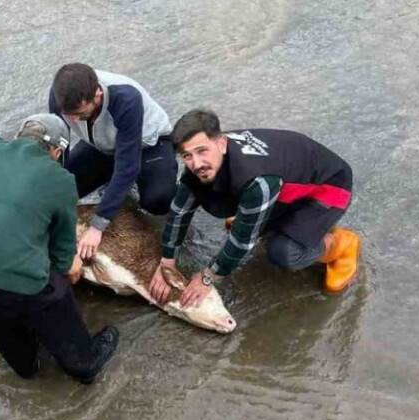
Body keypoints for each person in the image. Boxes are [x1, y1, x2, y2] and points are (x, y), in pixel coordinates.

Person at [0, 114, 120, 383]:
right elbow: (63, 255)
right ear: (56, 150)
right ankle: (84, 362)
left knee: (0, 325)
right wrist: (72, 266)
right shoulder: (60, 179)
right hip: (10, 284)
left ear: (20, 135)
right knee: (54, 286)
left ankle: (26, 363)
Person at [149, 109, 361, 309]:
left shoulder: (257, 180)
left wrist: (207, 276)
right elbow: (180, 211)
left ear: (221, 143)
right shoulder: (207, 159)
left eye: (202, 151)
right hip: (285, 182)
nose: (196, 164)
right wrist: (167, 262)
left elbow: (242, 242)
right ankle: (262, 217)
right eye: (187, 156)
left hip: (329, 187)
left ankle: (340, 245)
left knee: (283, 252)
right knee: (234, 208)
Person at [48, 63, 174, 263]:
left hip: (147, 145)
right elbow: (58, 144)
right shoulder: (60, 97)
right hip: (101, 146)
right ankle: (111, 184)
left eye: (79, 114)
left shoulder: (126, 99)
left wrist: (97, 227)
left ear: (97, 95)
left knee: (158, 200)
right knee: (60, 189)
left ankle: (129, 188)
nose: (73, 119)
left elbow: (127, 166)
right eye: (69, 114)